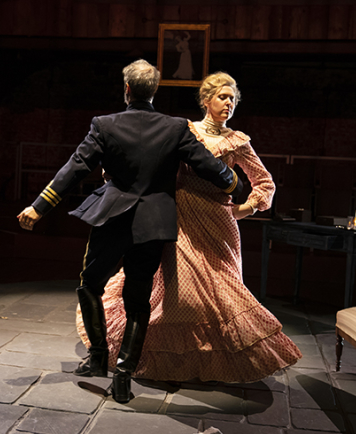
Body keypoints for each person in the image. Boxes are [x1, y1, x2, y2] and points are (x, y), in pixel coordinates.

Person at [17, 60, 242, 403]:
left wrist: (39, 206)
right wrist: (234, 185)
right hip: (154, 225)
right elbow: (209, 166)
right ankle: (122, 376)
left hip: (112, 220)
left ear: (126, 90)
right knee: (137, 302)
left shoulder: (104, 126)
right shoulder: (175, 127)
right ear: (154, 91)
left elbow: (75, 167)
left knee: (90, 284)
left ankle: (96, 358)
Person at [77, 71, 302, 383]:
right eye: (223, 97)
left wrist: (246, 208)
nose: (229, 104)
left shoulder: (238, 141)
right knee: (180, 296)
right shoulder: (183, 130)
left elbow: (264, 182)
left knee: (220, 293)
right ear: (205, 101)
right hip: (180, 219)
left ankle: (211, 361)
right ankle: (169, 360)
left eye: (233, 99)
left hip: (218, 224)